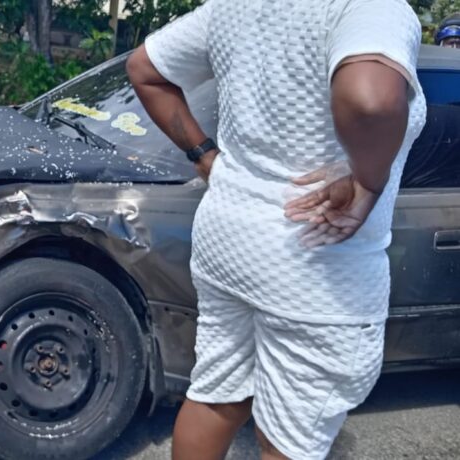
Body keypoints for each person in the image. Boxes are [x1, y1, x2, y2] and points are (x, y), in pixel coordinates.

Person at [127, 0, 425, 459]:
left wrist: (206, 157)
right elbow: (370, 100)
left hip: (229, 241)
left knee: (215, 395)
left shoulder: (236, 5)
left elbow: (143, 69)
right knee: (291, 439)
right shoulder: (372, 7)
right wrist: (368, 181)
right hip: (316, 263)